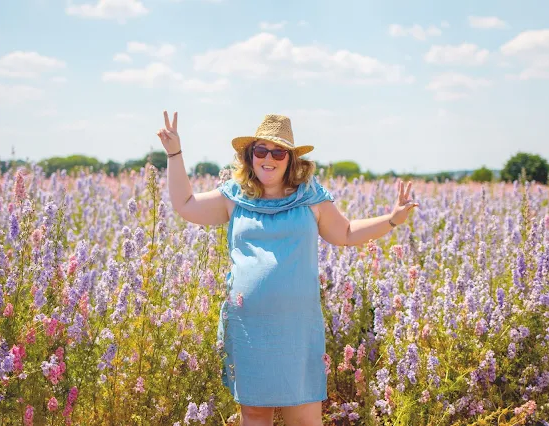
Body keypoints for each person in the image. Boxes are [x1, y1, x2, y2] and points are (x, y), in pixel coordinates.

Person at [157, 111, 419, 426]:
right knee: (254, 413)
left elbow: (346, 233)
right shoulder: (234, 197)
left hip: (297, 325)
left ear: (291, 159)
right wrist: (174, 153)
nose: (269, 158)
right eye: (261, 150)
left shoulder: (311, 199)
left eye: (278, 152)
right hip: (248, 325)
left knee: (304, 414)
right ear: (250, 155)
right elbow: (185, 204)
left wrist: (391, 219)